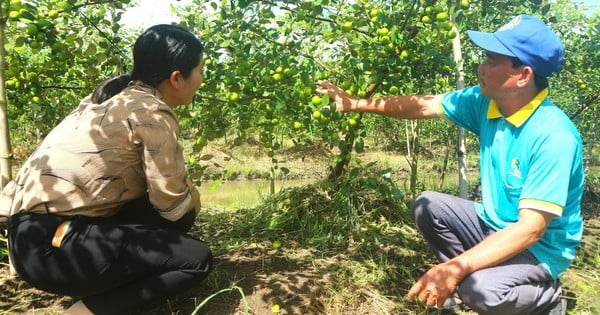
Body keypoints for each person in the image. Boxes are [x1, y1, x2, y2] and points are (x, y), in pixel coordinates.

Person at [317, 14, 582, 315]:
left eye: (492, 61)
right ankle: (470, 280)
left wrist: (454, 269)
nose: (480, 67)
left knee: (481, 291)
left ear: (522, 76)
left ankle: (546, 298)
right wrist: (356, 103)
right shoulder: (486, 103)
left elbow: (530, 230)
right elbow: (424, 104)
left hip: (539, 249)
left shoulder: (553, 136)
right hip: (492, 225)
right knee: (428, 205)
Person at [0, 24, 213, 315]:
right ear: (177, 78)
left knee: (154, 215)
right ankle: (85, 311)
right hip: (55, 249)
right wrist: (195, 197)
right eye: (201, 70)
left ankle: (95, 284)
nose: (202, 79)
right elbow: (173, 205)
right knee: (196, 257)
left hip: (27, 242)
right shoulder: (150, 111)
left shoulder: (104, 100)